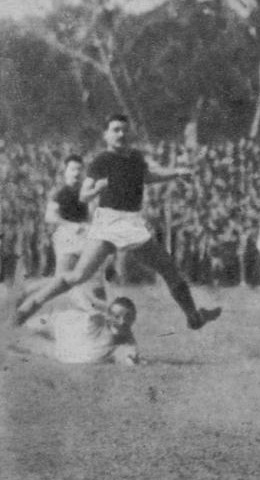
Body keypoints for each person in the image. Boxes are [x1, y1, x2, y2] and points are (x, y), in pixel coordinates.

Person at [14, 114, 221, 330]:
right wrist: (99, 187)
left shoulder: (135, 158)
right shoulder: (101, 161)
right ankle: (27, 307)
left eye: (124, 130)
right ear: (106, 135)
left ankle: (193, 317)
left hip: (131, 223)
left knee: (168, 268)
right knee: (77, 275)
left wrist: (176, 173)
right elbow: (84, 196)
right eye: (115, 130)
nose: (121, 134)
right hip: (108, 221)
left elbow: (148, 176)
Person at [10, 277, 139, 366]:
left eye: (127, 318)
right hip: (54, 321)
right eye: (117, 317)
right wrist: (91, 307)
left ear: (133, 319)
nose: (122, 322)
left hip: (59, 351)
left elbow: (128, 355)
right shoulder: (98, 320)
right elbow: (76, 292)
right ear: (109, 316)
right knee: (25, 326)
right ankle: (20, 297)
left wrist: (131, 357)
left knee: (22, 343)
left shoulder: (123, 341)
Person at [44, 155, 93, 276]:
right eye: (72, 169)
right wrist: (70, 225)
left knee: (89, 279)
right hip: (66, 236)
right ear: (65, 171)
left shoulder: (86, 191)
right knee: (63, 279)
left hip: (85, 235)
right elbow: (49, 216)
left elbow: (92, 213)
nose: (76, 173)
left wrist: (88, 226)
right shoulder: (58, 192)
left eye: (79, 169)